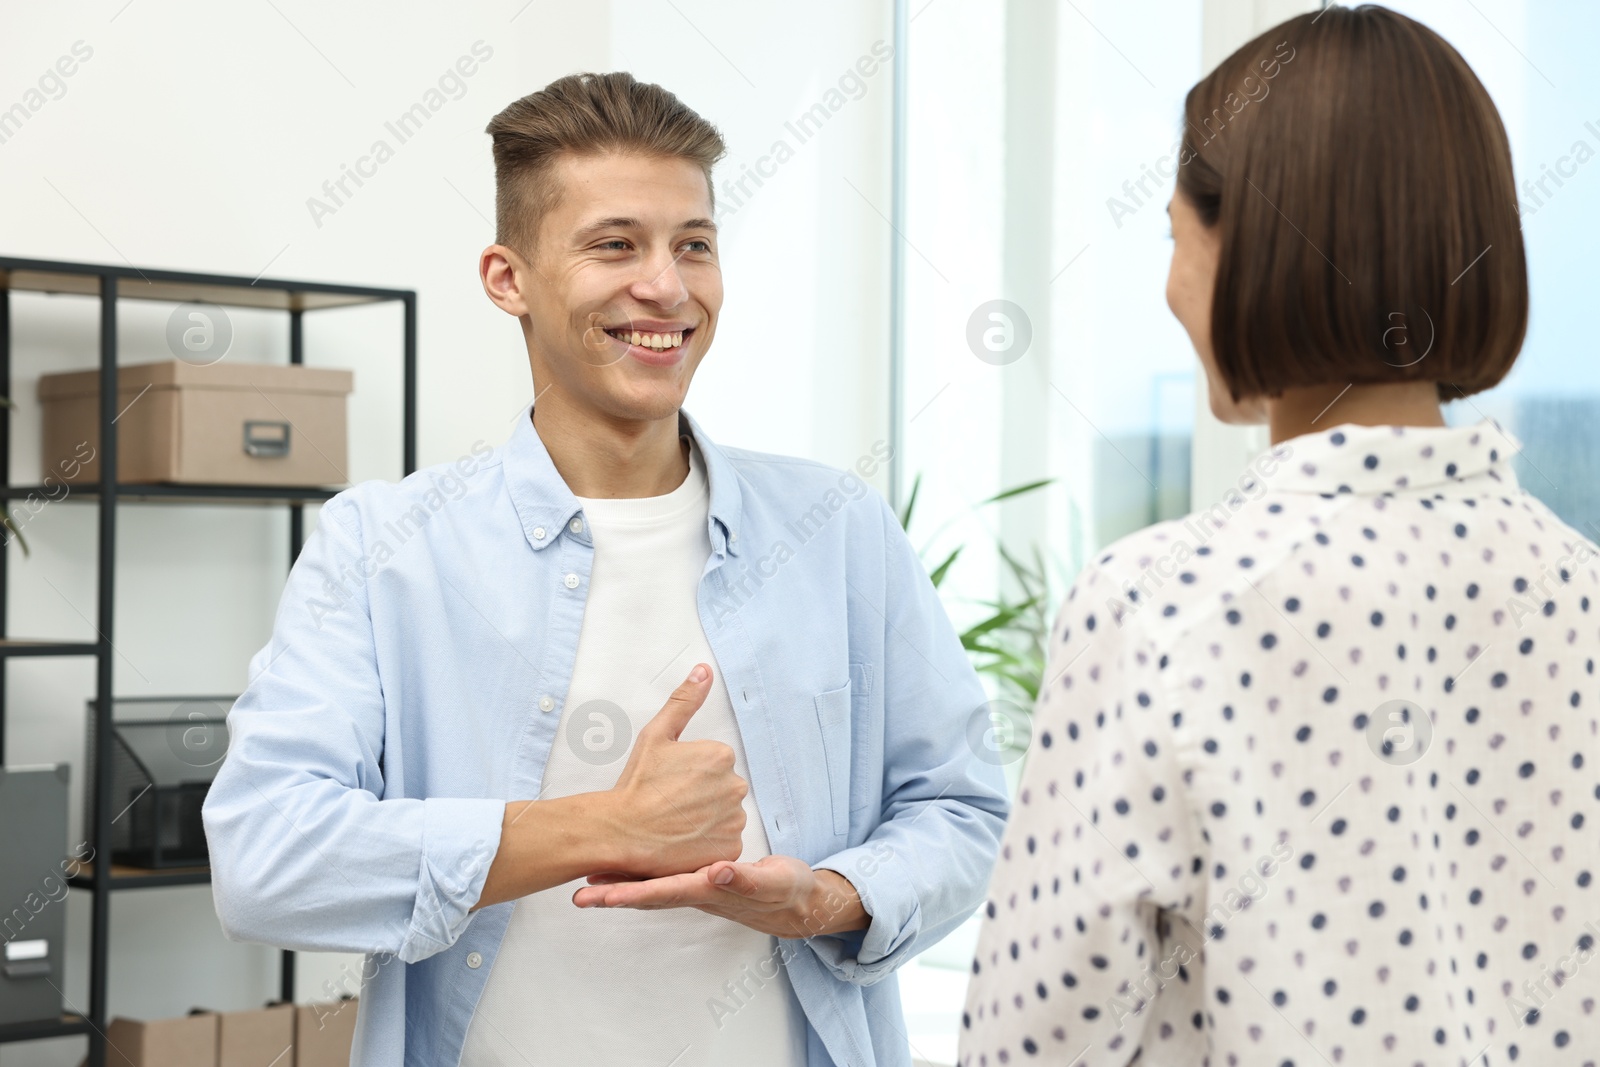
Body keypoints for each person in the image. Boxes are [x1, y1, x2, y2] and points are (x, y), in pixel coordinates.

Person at [202, 72, 1008, 1067]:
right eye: (614, 244)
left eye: (694, 245)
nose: (666, 286)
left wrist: (829, 898)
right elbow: (264, 856)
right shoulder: (383, 544)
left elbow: (961, 807)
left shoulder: (837, 531)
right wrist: (602, 823)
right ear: (508, 279)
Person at [963, 6, 1598, 1065]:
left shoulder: (1160, 604)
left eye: (1175, 235)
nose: (1168, 284)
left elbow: (1040, 1035)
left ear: (1249, 249)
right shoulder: (1582, 593)